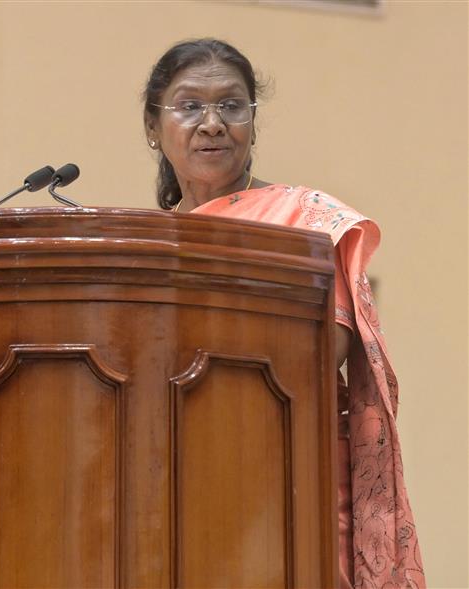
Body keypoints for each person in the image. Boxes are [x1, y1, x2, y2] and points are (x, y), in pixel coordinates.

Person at [143, 38, 425, 588]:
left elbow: (323, 353)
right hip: (169, 484)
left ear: (252, 121)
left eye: (231, 106)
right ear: (154, 127)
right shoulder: (143, 245)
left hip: (288, 480)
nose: (212, 123)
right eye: (189, 106)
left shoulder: (305, 219)